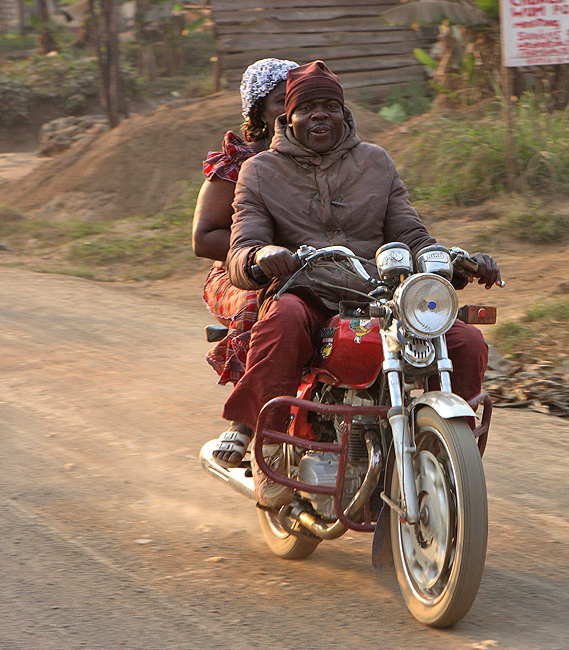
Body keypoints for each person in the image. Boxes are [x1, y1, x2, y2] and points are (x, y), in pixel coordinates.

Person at [215, 61, 501, 507]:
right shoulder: (260, 172)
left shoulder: (376, 161)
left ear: (345, 112)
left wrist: (457, 260)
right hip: (306, 291)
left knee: (466, 341)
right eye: (307, 107)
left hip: (379, 293)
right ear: (287, 117)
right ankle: (266, 441)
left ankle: (452, 460)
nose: (320, 115)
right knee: (283, 317)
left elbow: (411, 233)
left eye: (330, 105)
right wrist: (260, 257)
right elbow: (240, 250)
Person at [192, 58, 299, 391]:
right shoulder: (238, 163)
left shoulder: (331, 158)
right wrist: (259, 254)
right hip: (239, 274)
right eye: (281, 101)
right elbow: (204, 237)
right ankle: (248, 415)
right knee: (265, 303)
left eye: (298, 98)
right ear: (258, 113)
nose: (293, 109)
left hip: (312, 264)